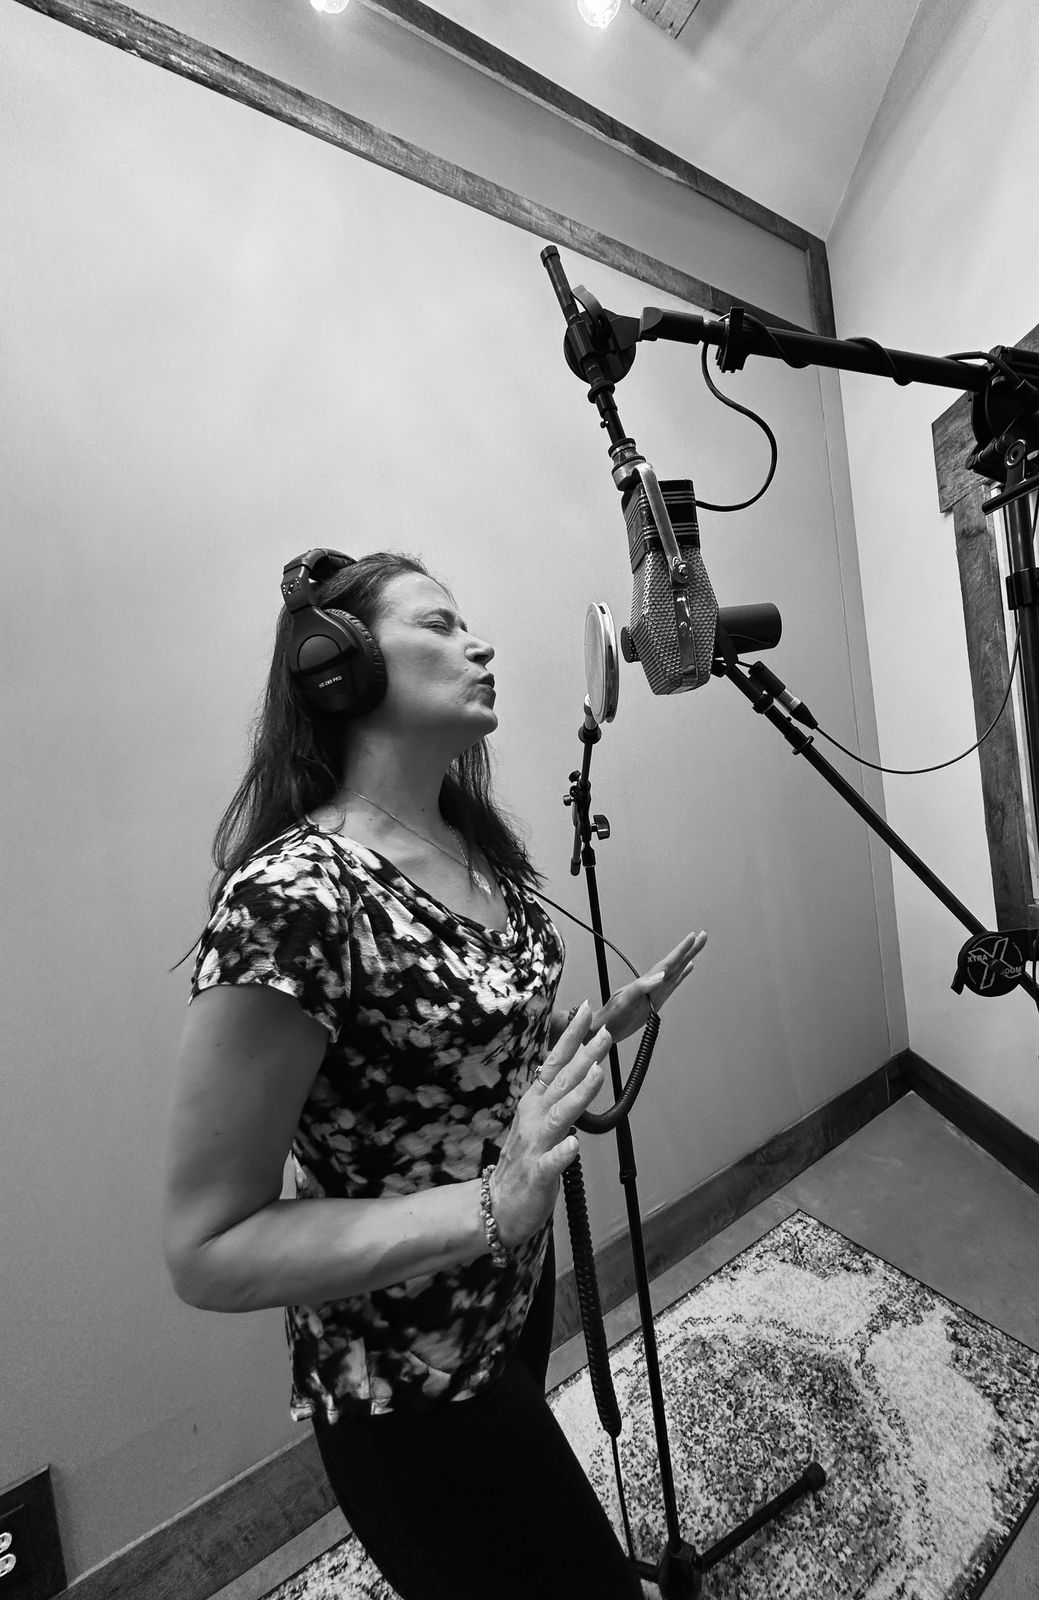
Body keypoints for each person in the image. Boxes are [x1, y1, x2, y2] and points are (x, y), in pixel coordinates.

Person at [162, 549, 707, 1600]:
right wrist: (493, 1206)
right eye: (440, 625)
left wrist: (594, 1036)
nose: (481, 644)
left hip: (510, 1299)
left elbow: (460, 1071)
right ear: (340, 669)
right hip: (407, 1384)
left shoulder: (470, 843)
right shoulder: (296, 898)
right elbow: (208, 1248)